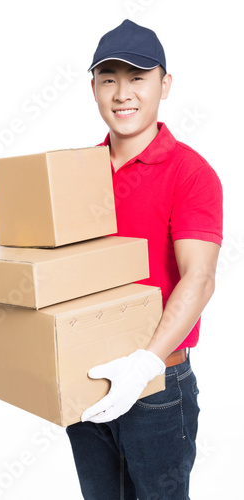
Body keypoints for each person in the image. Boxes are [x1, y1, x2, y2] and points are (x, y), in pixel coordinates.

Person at [66, 19, 223, 500]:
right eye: (109, 78)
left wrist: (143, 365)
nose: (122, 93)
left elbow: (199, 279)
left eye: (138, 77)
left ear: (165, 85)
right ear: (93, 87)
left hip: (156, 385)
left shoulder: (190, 173)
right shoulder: (74, 175)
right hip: (84, 381)